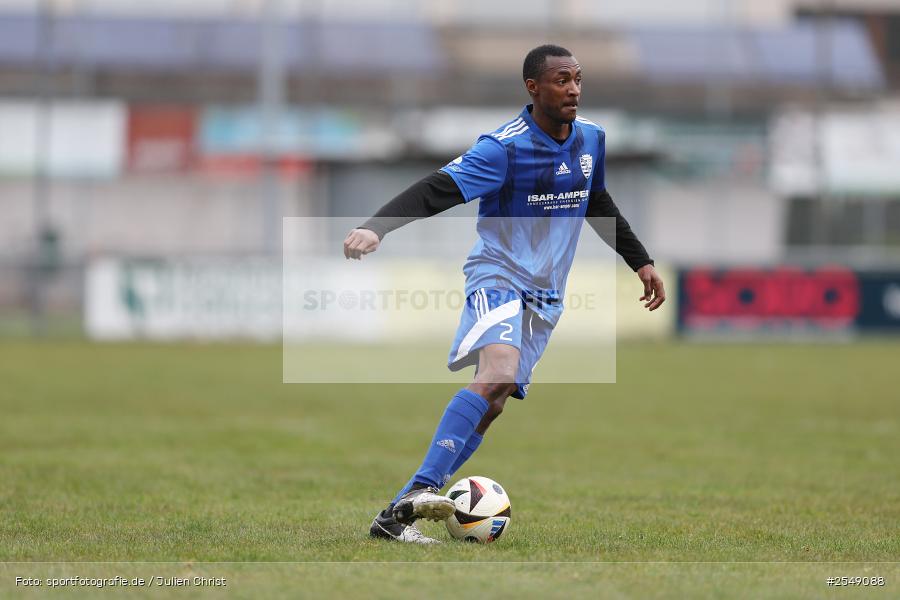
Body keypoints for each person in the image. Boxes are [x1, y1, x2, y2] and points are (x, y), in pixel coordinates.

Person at [343, 45, 665, 544]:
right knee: (498, 373)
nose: (574, 89)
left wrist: (639, 260)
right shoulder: (503, 148)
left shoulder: (592, 139)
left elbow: (595, 199)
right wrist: (376, 227)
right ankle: (423, 489)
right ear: (533, 87)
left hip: (546, 297)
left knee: (494, 400)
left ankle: (394, 517)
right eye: (561, 80)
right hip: (499, 275)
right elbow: (437, 188)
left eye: (578, 79)